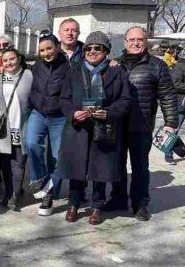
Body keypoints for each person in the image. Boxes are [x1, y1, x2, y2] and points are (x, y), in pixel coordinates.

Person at [106, 26, 178, 221]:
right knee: (117, 165)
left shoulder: (157, 65)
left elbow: (168, 95)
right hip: (118, 125)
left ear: (145, 42)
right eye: (132, 39)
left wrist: (171, 122)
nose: (136, 43)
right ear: (125, 42)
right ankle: (118, 198)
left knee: (140, 167)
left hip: (142, 124)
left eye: (140, 39)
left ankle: (140, 204)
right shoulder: (115, 64)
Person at [59, 31, 131, 225]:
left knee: (100, 169)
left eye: (97, 48)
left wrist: (109, 113)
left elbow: (125, 100)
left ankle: (97, 206)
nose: (92, 51)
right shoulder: (73, 71)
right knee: (76, 168)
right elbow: (64, 99)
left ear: (106, 51)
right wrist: (72, 113)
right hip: (78, 127)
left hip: (104, 127)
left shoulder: (117, 72)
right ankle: (73, 203)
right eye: (88, 48)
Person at [24, 34, 69, 217]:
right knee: (31, 143)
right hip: (39, 113)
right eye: (42, 50)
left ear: (57, 47)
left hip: (59, 116)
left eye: (49, 48)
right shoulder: (37, 66)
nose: (46, 53)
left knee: (57, 156)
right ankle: (41, 181)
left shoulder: (68, 66)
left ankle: (49, 194)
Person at [0, 48, 32, 211]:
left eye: (12, 59)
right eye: (5, 60)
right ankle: (8, 193)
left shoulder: (29, 75)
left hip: (23, 125)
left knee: (19, 163)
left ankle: (14, 195)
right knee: (5, 165)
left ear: (19, 58)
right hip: (3, 129)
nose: (9, 63)